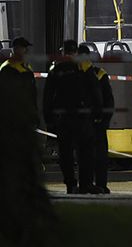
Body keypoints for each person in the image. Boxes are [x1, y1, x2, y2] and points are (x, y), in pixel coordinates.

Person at [0, 37, 55, 243]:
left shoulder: (26, 70)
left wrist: (33, 116)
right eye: (23, 48)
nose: (25, 51)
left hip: (25, 120)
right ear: (16, 49)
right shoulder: (7, 70)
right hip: (13, 121)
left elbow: (31, 97)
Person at [43, 40, 103, 194]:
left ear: (63, 53)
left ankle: (71, 184)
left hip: (64, 117)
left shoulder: (56, 69)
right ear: (76, 52)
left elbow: (48, 95)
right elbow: (95, 90)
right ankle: (86, 184)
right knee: (86, 152)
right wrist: (97, 113)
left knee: (66, 153)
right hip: (83, 116)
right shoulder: (84, 66)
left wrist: (49, 118)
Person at [78, 44, 114, 194]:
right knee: (98, 155)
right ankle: (99, 184)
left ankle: (87, 184)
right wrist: (105, 119)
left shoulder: (77, 74)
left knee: (85, 156)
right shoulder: (99, 74)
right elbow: (109, 100)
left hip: (86, 122)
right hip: (95, 122)